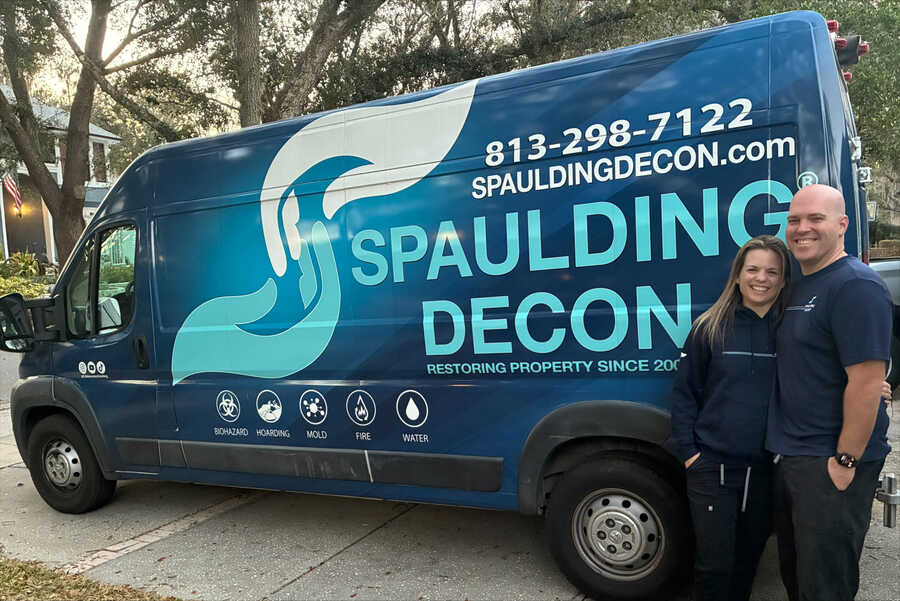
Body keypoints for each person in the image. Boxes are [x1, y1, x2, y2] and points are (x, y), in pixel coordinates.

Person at [766, 184, 892, 601]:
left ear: (842, 225)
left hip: (829, 461)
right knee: (798, 575)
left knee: (825, 585)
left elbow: (866, 382)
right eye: (794, 220)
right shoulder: (802, 285)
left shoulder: (855, 285)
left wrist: (845, 460)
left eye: (815, 218)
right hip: (795, 456)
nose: (802, 228)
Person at [670, 234, 790, 601]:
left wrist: (877, 382)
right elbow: (685, 395)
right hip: (713, 469)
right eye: (752, 269)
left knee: (747, 564)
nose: (761, 278)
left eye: (772, 272)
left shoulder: (792, 331)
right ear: (737, 275)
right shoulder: (709, 327)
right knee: (714, 567)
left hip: (768, 470)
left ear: (783, 280)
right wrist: (691, 455)